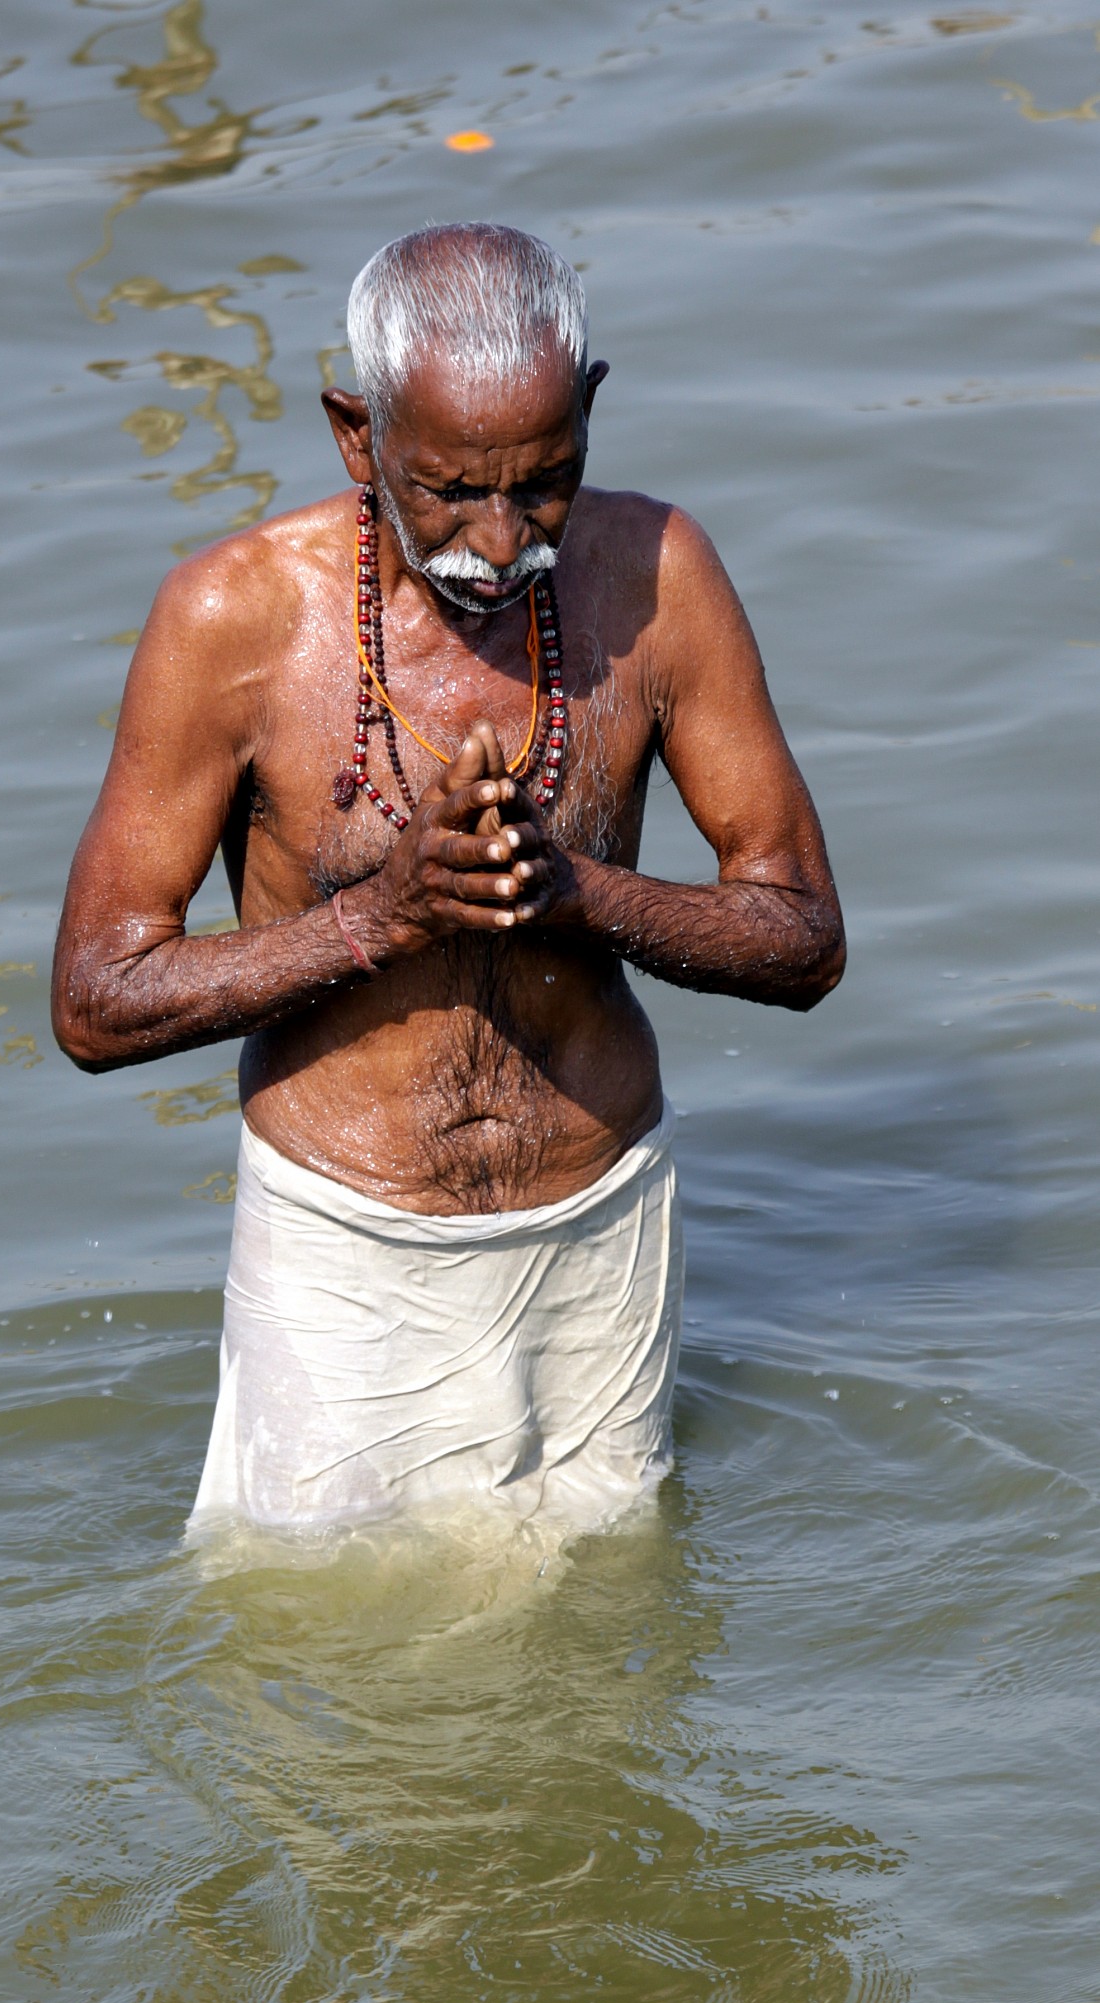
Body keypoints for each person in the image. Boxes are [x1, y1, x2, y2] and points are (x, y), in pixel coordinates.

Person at [52, 222, 844, 1534]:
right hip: (342, 1255)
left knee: (603, 1677)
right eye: (447, 492)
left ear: (589, 413)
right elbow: (96, 1002)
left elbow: (805, 939)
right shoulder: (232, 619)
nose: (498, 539)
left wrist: (579, 895)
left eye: (544, 486)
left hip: (600, 1230)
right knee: (317, 1687)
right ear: (356, 435)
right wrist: (379, 918)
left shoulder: (660, 579)